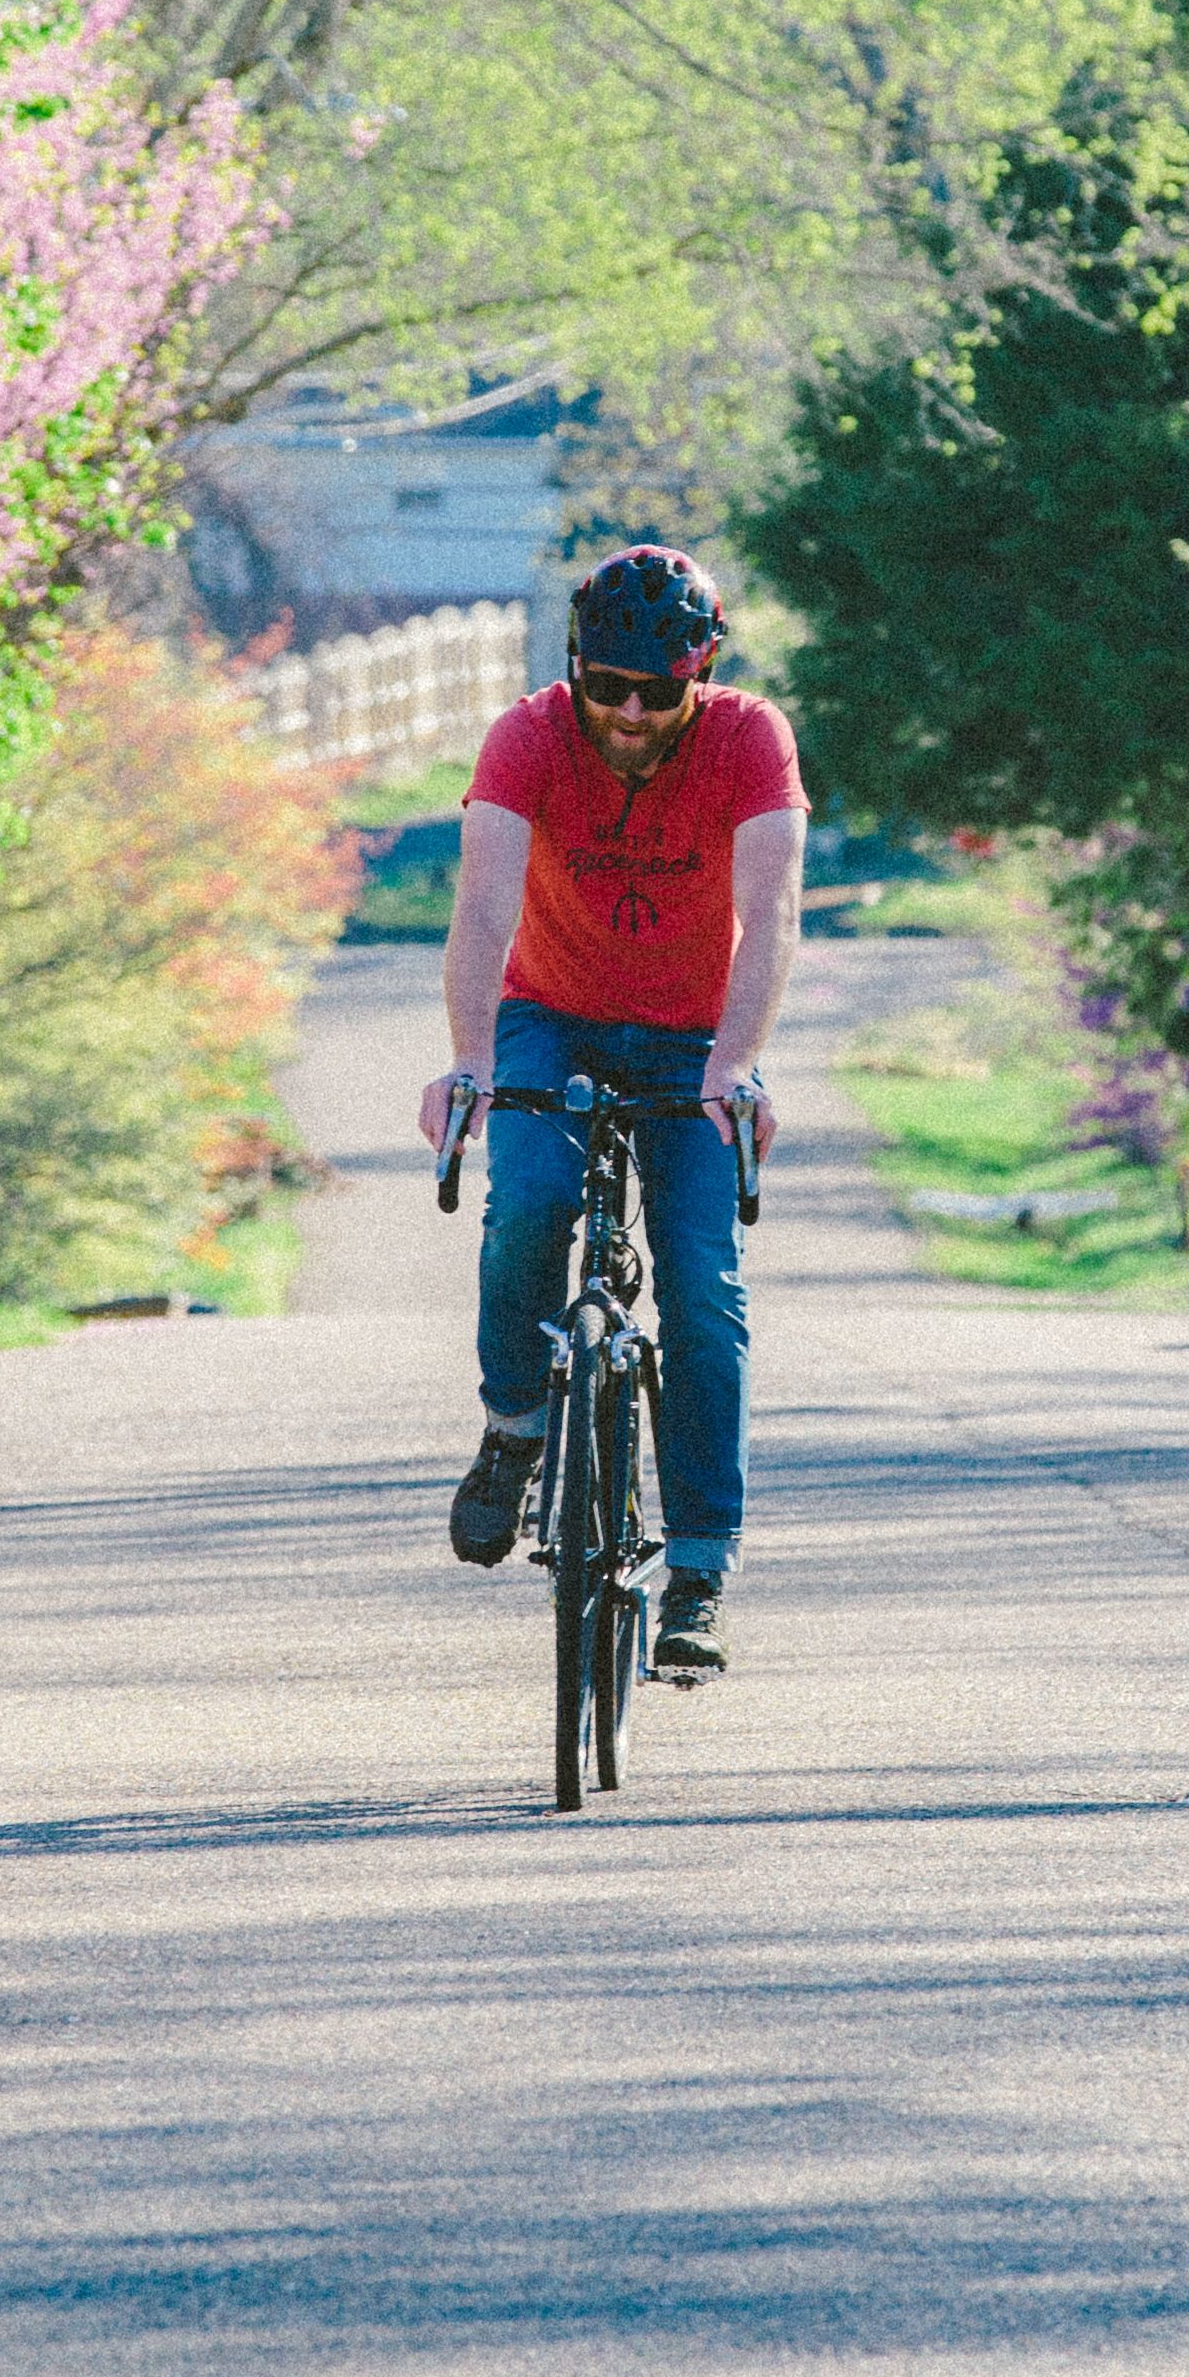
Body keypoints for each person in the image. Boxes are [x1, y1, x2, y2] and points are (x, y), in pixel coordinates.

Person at [419, 544, 805, 1681]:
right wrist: (469, 1062)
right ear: (575, 667)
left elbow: (772, 909)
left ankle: (699, 1568)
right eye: (608, 687)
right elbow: (484, 907)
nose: (631, 714)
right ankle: (515, 1429)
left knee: (701, 1284)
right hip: (555, 1013)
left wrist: (737, 1064)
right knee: (529, 1203)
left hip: (695, 1036)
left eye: (660, 691)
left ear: (702, 675)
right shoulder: (525, 737)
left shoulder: (749, 740)